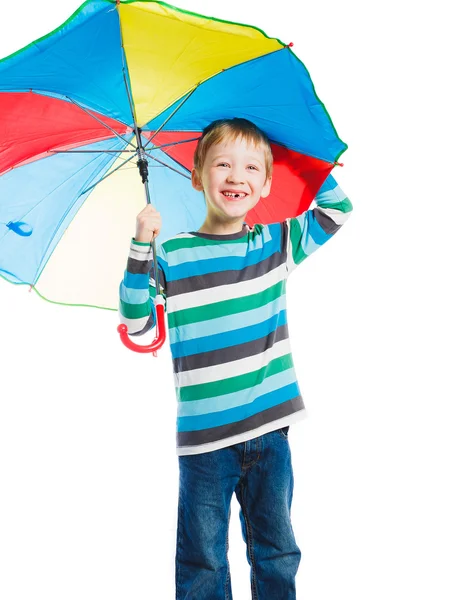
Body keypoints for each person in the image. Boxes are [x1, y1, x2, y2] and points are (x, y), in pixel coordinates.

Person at [118, 117, 353, 599]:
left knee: (277, 552)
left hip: (270, 431)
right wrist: (141, 244)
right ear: (197, 174)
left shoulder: (273, 243)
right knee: (202, 559)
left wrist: (294, 159)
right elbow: (138, 322)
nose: (236, 176)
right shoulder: (175, 254)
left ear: (266, 184)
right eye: (223, 164)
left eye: (251, 168)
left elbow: (337, 210)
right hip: (204, 442)